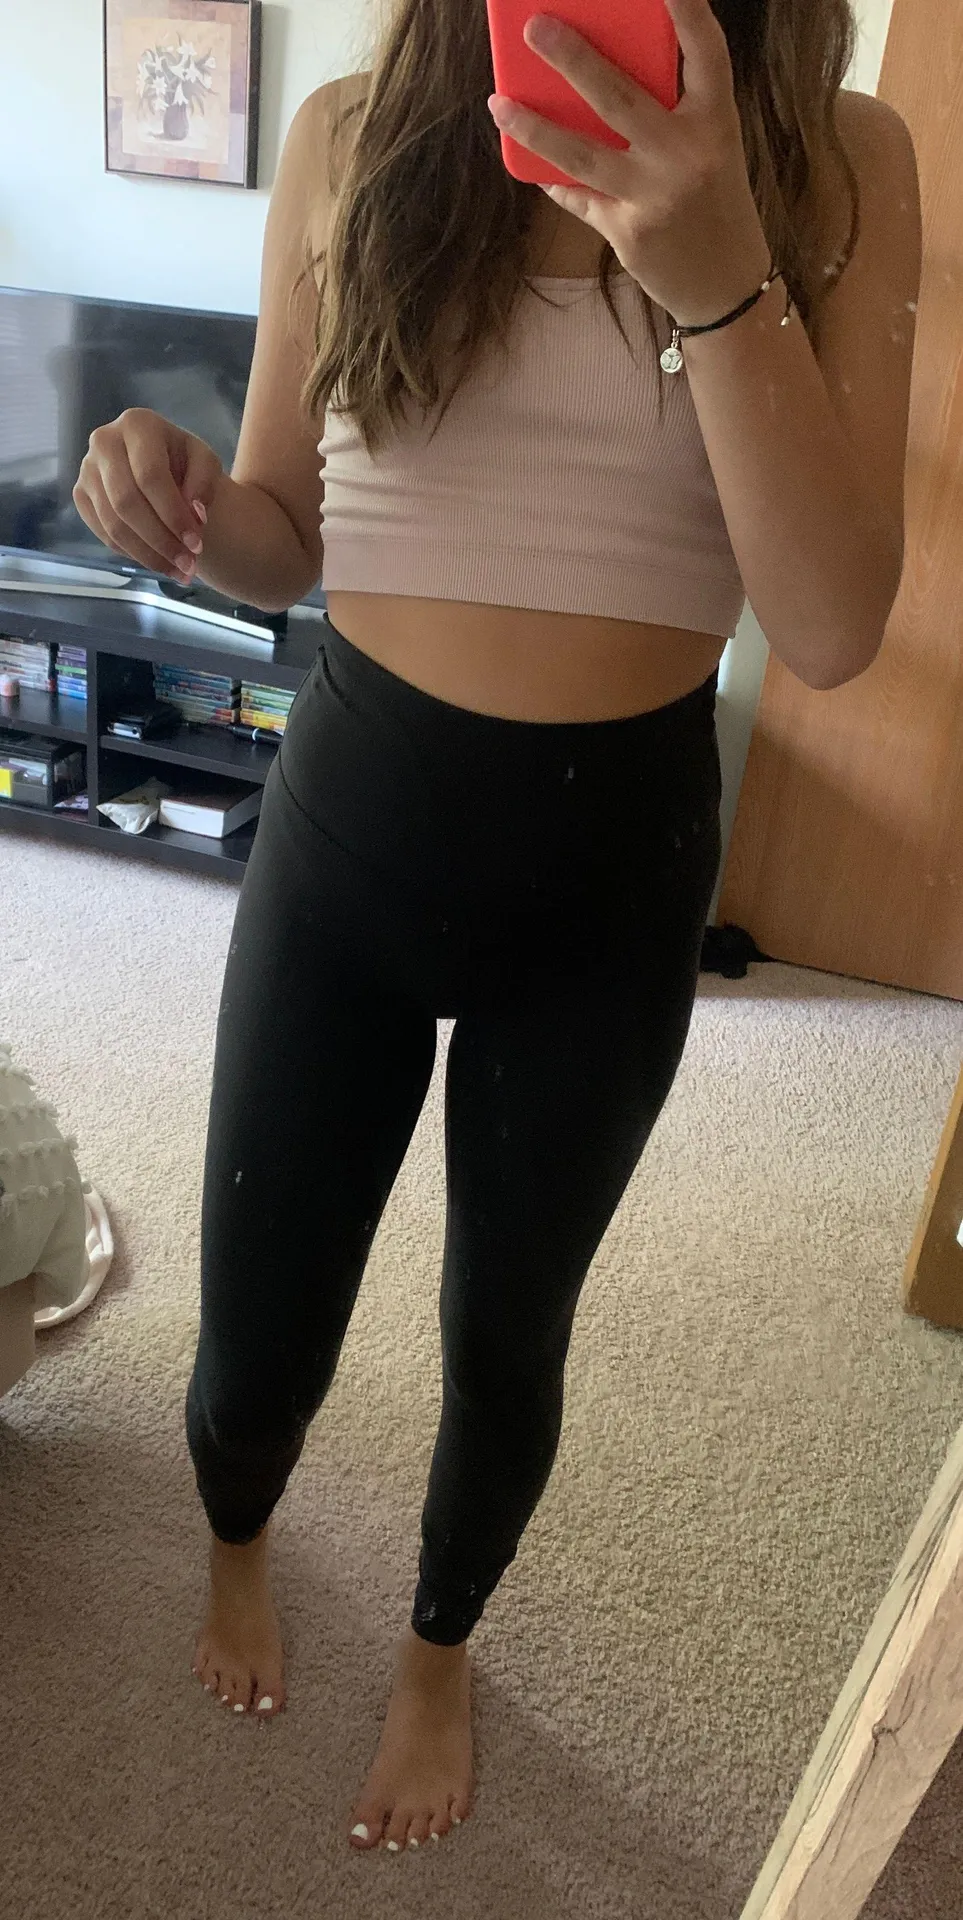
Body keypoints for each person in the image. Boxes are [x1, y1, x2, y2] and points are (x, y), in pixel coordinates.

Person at [72, 0, 921, 1859]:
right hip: (350, 826)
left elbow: (829, 624)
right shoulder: (353, 131)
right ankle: (236, 1544)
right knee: (256, 1316)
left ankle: (439, 1648)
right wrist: (183, 499)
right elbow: (290, 528)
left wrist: (716, 272)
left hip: (609, 874)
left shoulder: (836, 163)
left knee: (505, 1331)